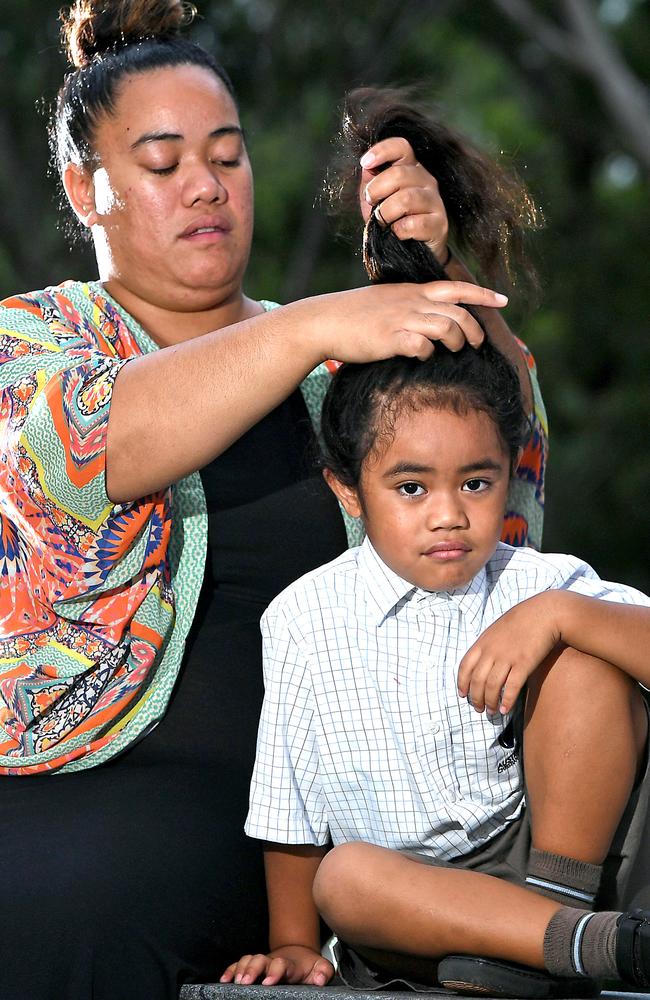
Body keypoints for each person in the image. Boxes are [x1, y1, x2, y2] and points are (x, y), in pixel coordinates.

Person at [0, 7, 545, 1000]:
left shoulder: (336, 354)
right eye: (163, 166)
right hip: (78, 781)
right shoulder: (37, 341)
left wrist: (436, 277)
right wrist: (320, 322)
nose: (205, 187)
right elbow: (80, 446)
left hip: (306, 815)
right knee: (61, 905)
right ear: (86, 189)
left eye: (227, 156)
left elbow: (506, 476)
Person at [225, 121, 650, 997]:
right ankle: (562, 949)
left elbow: (597, 637)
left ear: (511, 473)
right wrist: (294, 943)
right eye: (412, 488)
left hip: (550, 865)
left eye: (479, 482)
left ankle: (549, 937)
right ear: (350, 491)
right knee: (346, 877)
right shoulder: (305, 619)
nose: (451, 516)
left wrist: (564, 618)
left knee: (587, 664)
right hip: (418, 911)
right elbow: (289, 814)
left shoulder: (532, 582)